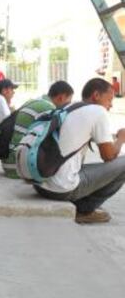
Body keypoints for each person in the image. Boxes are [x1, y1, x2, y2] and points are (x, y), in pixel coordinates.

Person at [33, 78, 125, 224]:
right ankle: (85, 209)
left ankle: (82, 204)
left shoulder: (70, 107)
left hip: (40, 185)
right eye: (109, 99)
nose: (111, 105)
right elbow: (108, 156)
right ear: (96, 95)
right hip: (61, 189)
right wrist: (121, 139)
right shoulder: (98, 111)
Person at [1, 81, 74, 178]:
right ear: (61, 97)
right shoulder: (49, 108)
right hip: (19, 168)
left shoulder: (35, 101)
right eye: (68, 101)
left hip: (9, 162)